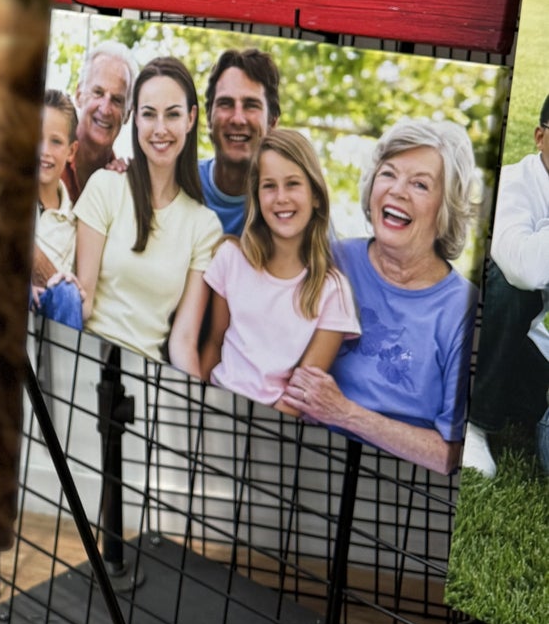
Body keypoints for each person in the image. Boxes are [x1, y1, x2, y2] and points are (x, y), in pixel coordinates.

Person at [283, 120, 479, 474]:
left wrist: (345, 413)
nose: (398, 191)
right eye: (388, 174)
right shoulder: (330, 259)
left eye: (420, 184)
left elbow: (450, 454)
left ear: (446, 207)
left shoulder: (463, 310)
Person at [72, 56, 223, 372]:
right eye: (149, 114)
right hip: (85, 357)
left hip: (149, 378)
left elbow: (182, 340)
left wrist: (195, 406)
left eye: (173, 115)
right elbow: (81, 302)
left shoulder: (204, 226)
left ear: (191, 119)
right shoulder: (106, 187)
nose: (160, 129)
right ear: (135, 119)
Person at [200, 128, 360, 406]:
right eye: (269, 186)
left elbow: (299, 396)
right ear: (257, 198)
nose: (281, 197)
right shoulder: (231, 259)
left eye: (293, 184)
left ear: (316, 196)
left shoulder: (332, 291)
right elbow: (213, 345)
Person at [462, 96, 549, 478]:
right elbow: (524, 271)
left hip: (538, 356)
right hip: (498, 345)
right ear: (540, 137)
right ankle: (476, 425)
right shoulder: (513, 183)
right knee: (508, 283)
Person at [198, 48, 281, 236]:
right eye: (225, 103)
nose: (237, 119)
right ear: (208, 117)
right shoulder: (178, 183)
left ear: (272, 122)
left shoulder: (289, 203)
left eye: (251, 105)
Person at [32, 90, 84, 330]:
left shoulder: (73, 226)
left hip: (45, 326)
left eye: (56, 141)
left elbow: (65, 301)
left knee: (67, 292)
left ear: (71, 151)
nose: (45, 150)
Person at [64, 41, 136, 200]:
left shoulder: (121, 188)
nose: (105, 109)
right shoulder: (48, 158)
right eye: (98, 92)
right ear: (79, 95)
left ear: (128, 114)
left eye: (117, 100)